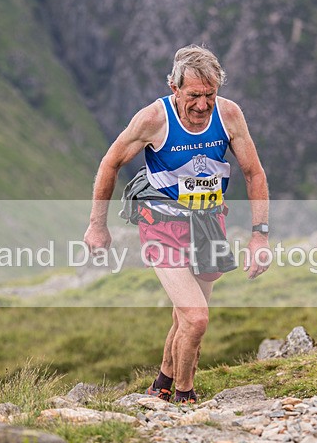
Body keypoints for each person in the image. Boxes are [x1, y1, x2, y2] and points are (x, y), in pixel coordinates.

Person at [83, 44, 270, 404]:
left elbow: (254, 172)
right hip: (162, 226)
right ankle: (185, 396)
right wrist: (97, 226)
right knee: (197, 318)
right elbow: (110, 163)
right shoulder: (153, 120)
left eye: (210, 95)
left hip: (208, 224)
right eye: (194, 95)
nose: (202, 105)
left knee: (185, 317)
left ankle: (161, 385)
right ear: (174, 88)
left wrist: (259, 237)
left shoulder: (229, 115)